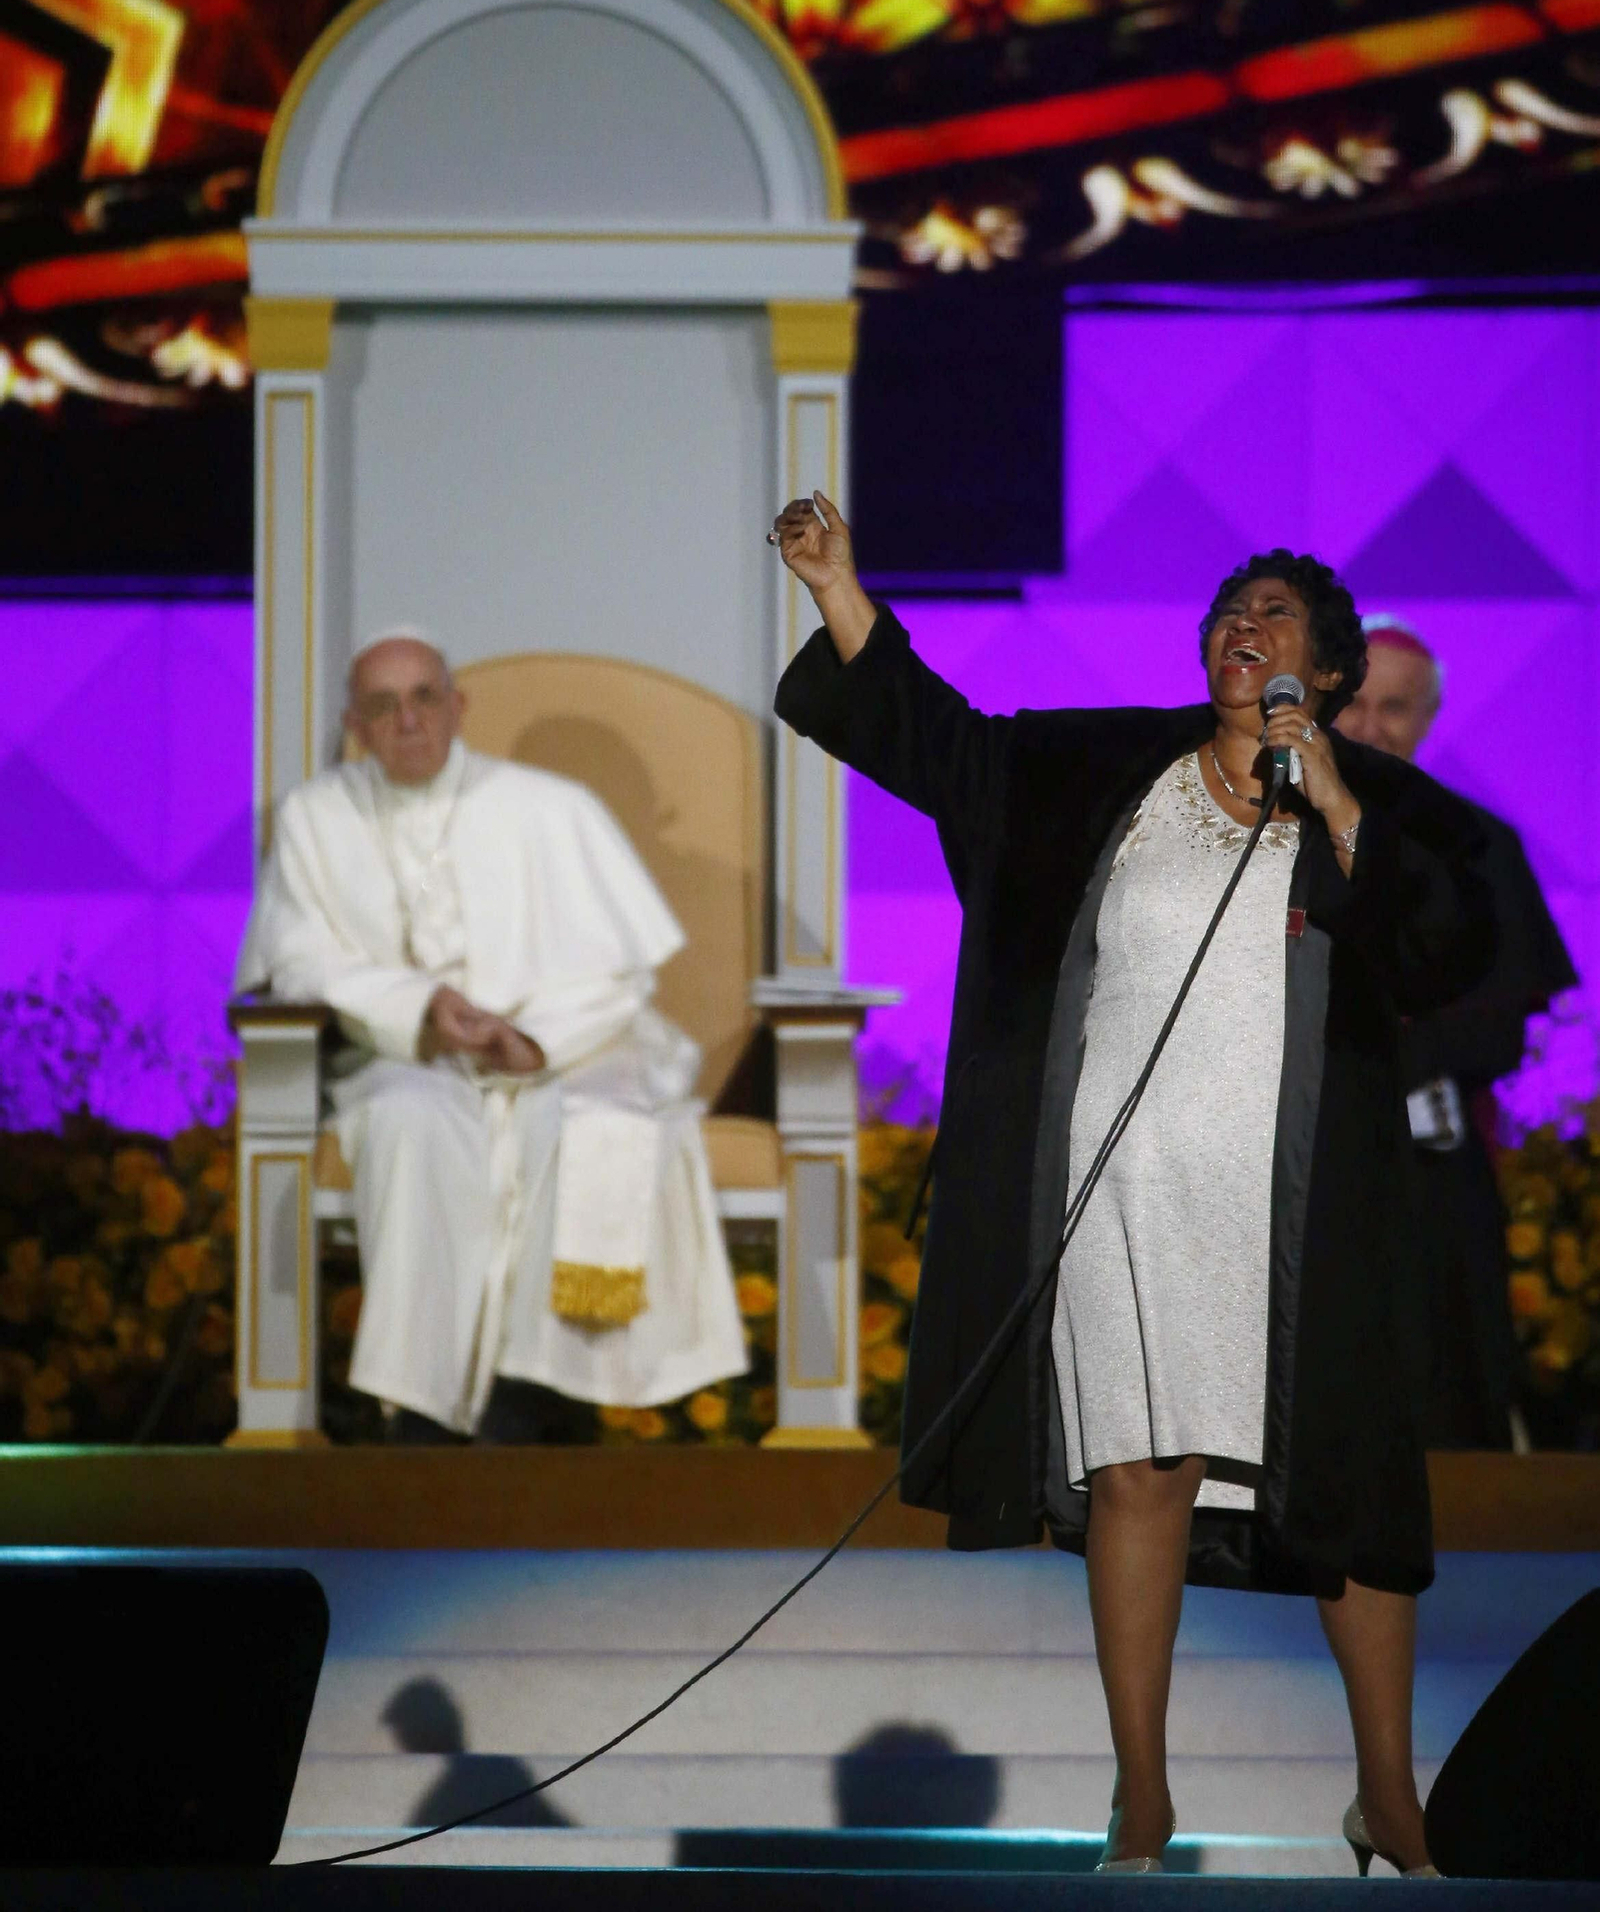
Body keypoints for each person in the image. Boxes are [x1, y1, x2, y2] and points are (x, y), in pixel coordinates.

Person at [770, 496, 1493, 1876]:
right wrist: (838, 588)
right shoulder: (1103, 771)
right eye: (1229, 611)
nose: (1244, 626)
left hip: (1299, 1211)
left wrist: (1335, 795)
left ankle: (1387, 1795)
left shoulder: (1389, 812)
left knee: (1348, 1482)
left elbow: (1443, 952)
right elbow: (940, 744)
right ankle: (1142, 1799)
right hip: (1125, 1191)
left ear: (1329, 669)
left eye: (1275, 614)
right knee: (1141, 1470)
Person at [236, 628, 746, 1439]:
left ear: (457, 705)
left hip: (563, 1053)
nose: (408, 720)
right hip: (406, 1056)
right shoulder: (315, 817)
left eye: (424, 697)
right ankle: (421, 1412)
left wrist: (533, 1041)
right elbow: (298, 960)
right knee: (411, 1125)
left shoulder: (552, 808)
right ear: (355, 725)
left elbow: (616, 977)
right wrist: (420, 1006)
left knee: (576, 1126)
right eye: (383, 706)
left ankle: (539, 1397)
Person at [1338, 618, 1574, 1448]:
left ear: (1428, 719)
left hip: (1428, 1175)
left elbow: (1499, 1031)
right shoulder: (1266, 838)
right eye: (1356, 702)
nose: (1370, 727)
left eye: (1395, 708)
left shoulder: (1476, 846)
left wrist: (1377, 1052)